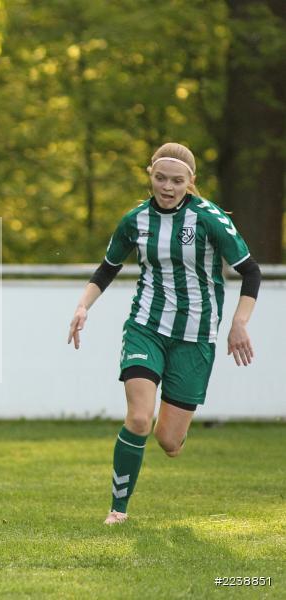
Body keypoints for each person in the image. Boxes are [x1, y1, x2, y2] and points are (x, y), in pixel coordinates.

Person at [67, 142, 261, 525]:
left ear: (190, 182)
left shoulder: (209, 219)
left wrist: (239, 322)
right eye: (160, 178)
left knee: (169, 441)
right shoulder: (135, 220)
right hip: (146, 328)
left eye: (176, 180)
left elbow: (251, 271)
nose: (167, 187)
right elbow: (107, 268)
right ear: (150, 175)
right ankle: (117, 511)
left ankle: (176, 430)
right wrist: (82, 306)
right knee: (139, 418)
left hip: (196, 337)